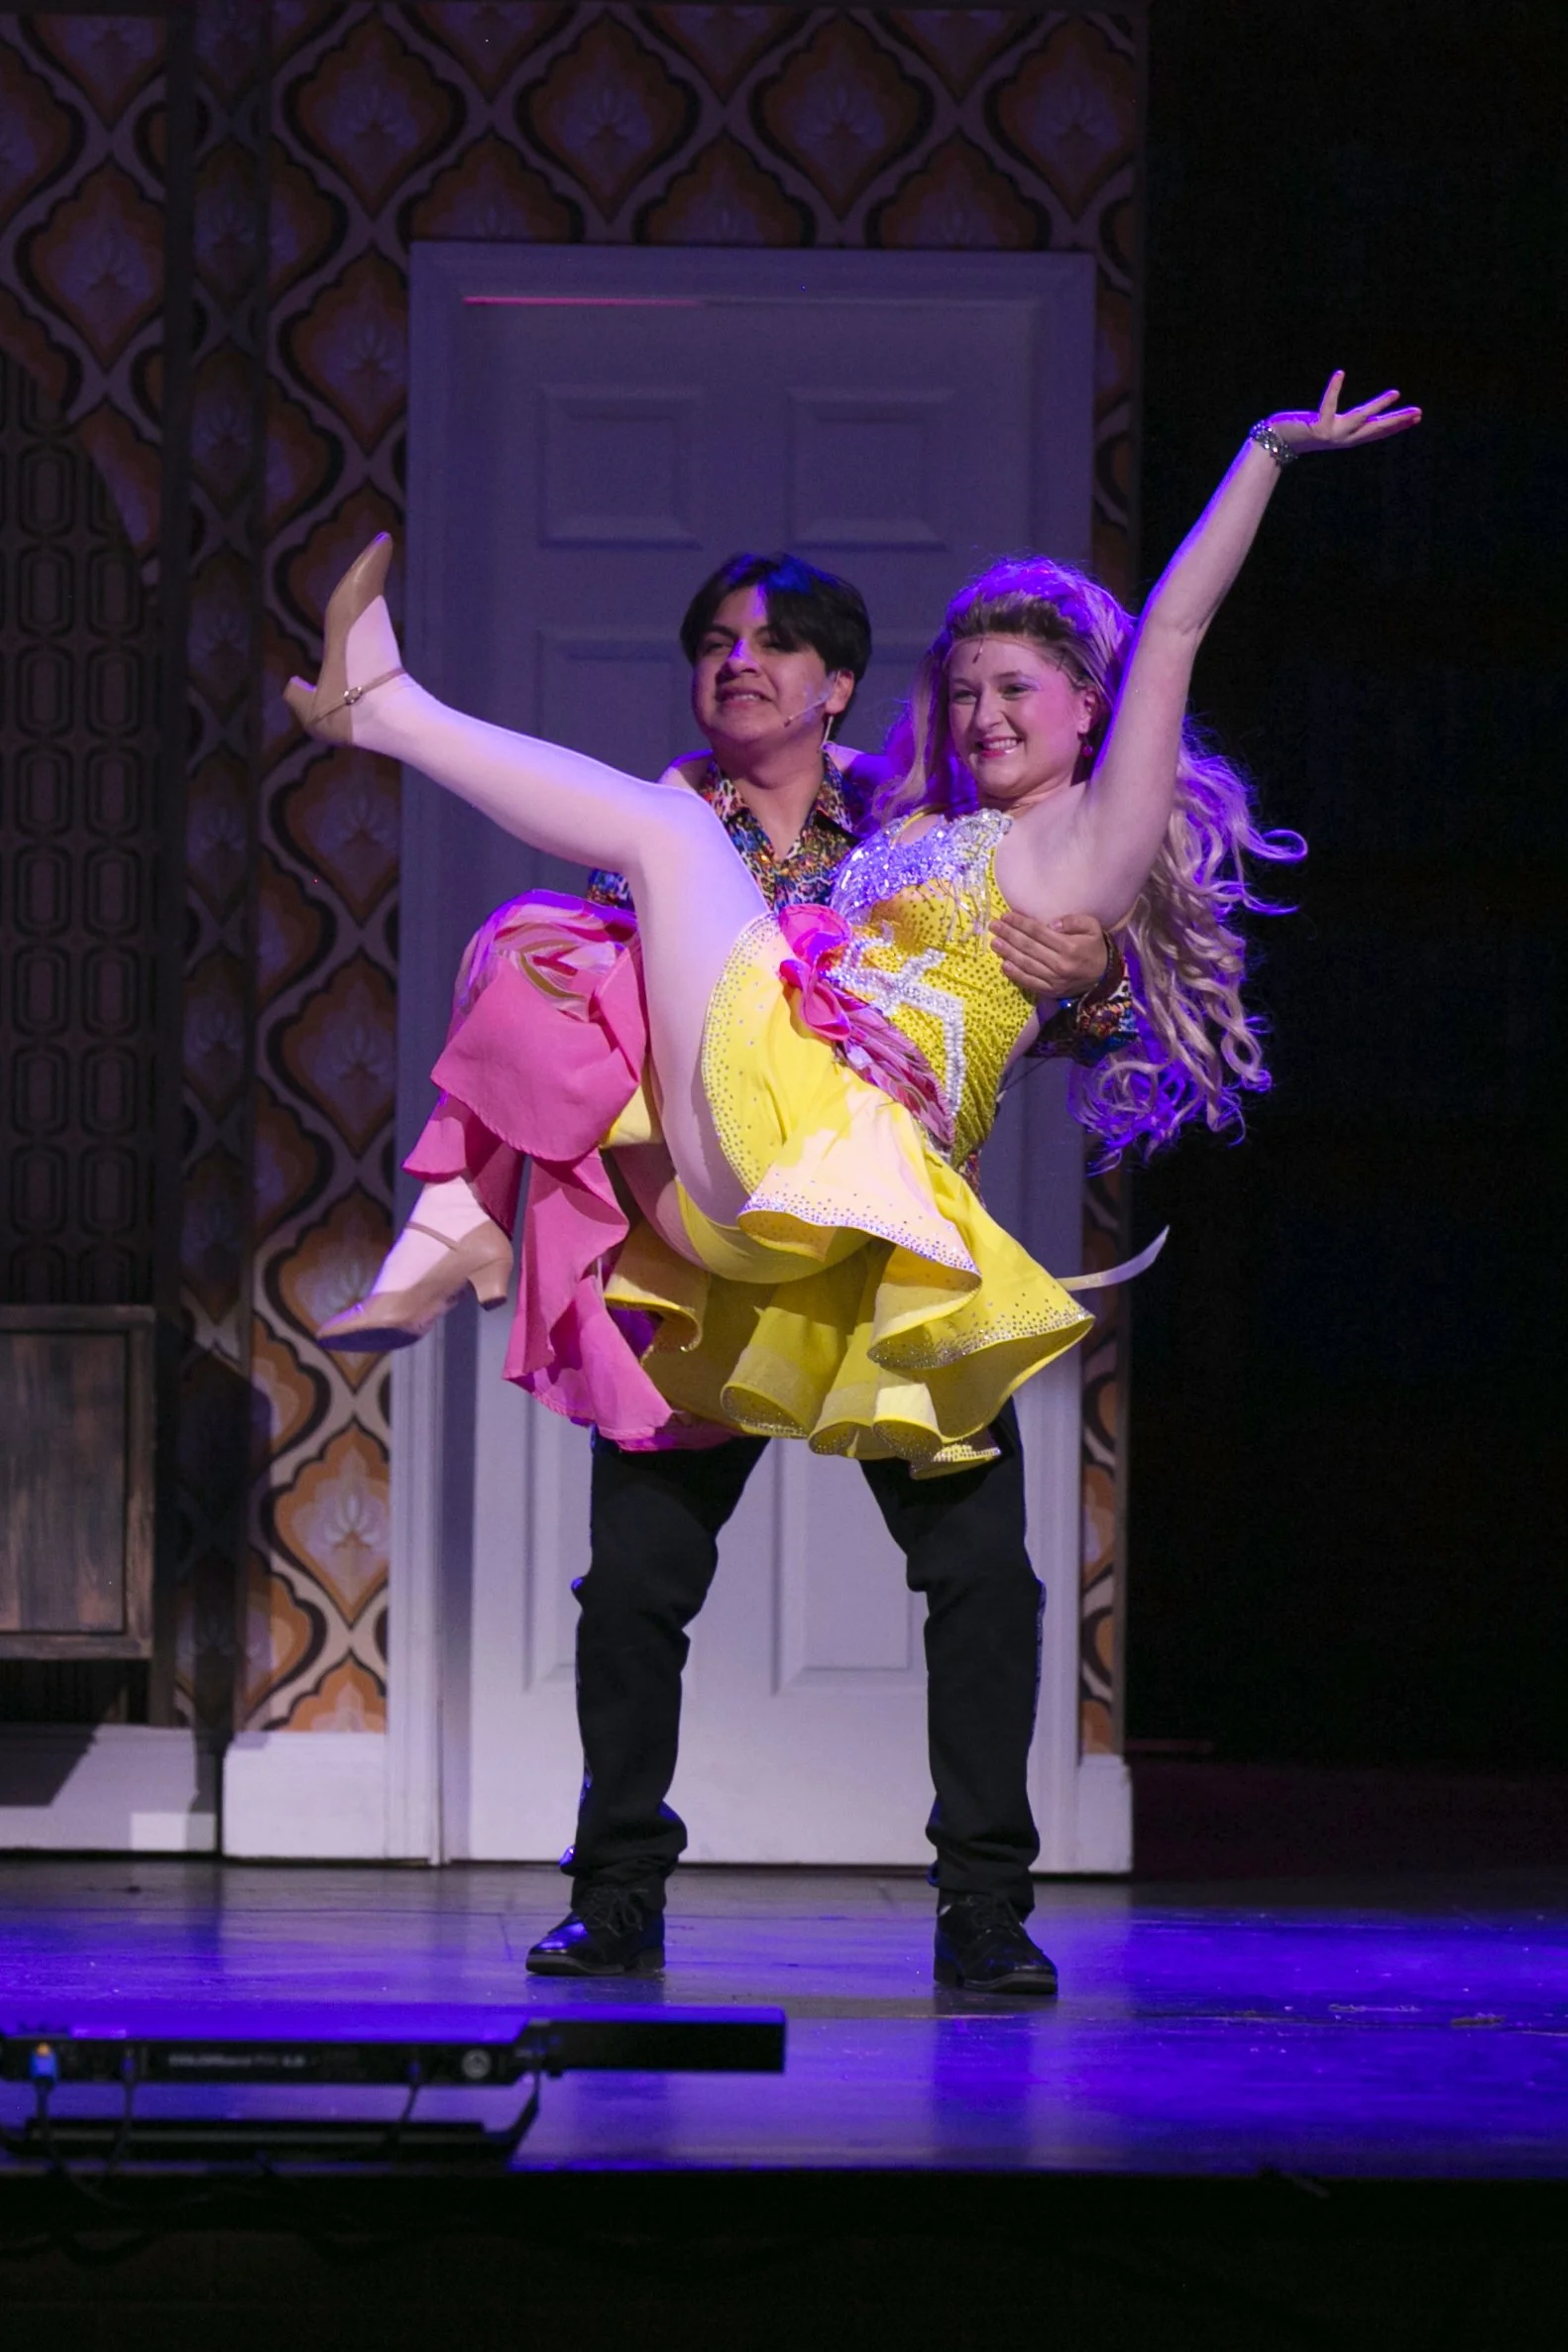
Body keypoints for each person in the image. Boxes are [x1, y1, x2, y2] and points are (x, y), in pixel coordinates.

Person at [286, 373, 1417, 1987]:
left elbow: (1162, 647)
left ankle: (984, 1911)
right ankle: (614, 1892)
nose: (978, 718)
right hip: (744, 1173)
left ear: (1077, 710)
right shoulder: (841, 830)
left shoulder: (1014, 838)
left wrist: (1094, 974)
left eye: (1014, 690)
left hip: (870, 1217)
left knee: (979, 1576)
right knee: (638, 1574)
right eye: (961, 693)